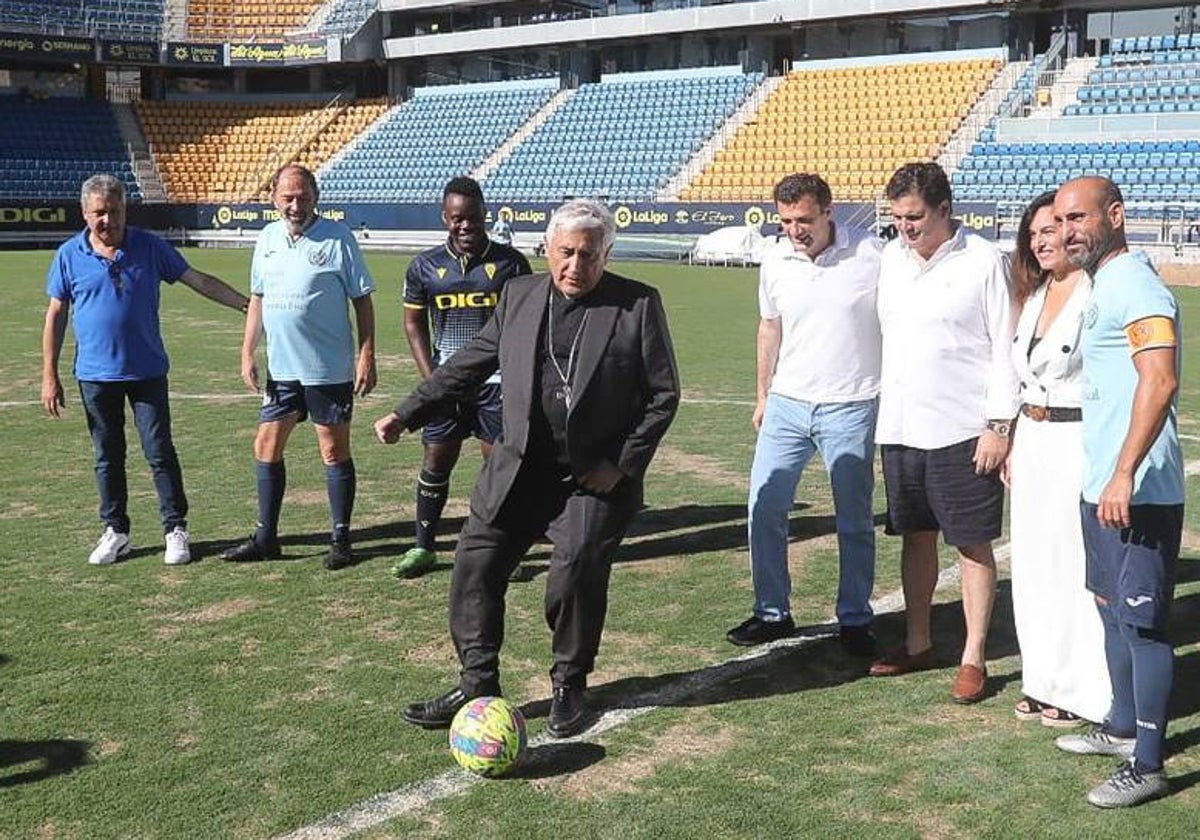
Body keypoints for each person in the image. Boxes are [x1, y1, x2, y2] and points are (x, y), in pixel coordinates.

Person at [373, 199, 679, 738]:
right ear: (547, 249)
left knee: (576, 568)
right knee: (473, 564)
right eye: (565, 253)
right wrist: (408, 412)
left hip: (590, 480)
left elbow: (663, 395)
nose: (575, 267)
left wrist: (622, 466)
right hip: (518, 471)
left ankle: (569, 684)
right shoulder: (518, 295)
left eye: (589, 255)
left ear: (607, 253)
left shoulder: (637, 306)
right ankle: (477, 682)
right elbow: (467, 364)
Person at [1051, 176, 1184, 809]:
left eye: (1079, 217)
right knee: (1109, 607)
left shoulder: (1135, 282)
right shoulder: (1104, 283)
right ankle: (1122, 724)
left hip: (1139, 491)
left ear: (1115, 215)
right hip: (1104, 486)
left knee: (1142, 625)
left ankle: (1149, 763)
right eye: (1061, 220)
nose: (1069, 229)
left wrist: (1126, 471)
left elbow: (1159, 381)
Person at [41, 174, 249, 566]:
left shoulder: (151, 247)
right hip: (94, 375)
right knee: (108, 456)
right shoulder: (68, 255)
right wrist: (49, 375)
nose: (108, 220)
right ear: (85, 214)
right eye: (99, 213)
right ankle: (116, 531)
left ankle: (175, 529)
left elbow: (197, 280)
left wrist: (245, 305)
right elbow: (56, 315)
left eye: (114, 211)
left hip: (147, 372)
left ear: (125, 210)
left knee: (159, 452)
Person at [869, 162, 1019, 704]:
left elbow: (1007, 347)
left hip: (965, 431)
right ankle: (917, 643)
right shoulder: (890, 259)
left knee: (973, 545)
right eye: (898, 218)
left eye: (915, 217)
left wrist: (999, 426)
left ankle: (974, 656)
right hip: (903, 428)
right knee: (915, 536)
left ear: (945, 210)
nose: (905, 227)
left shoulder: (984, 262)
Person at [725, 173, 882, 656]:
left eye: (805, 220)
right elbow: (769, 327)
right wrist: (762, 395)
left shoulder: (873, 256)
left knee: (854, 520)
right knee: (764, 508)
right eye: (787, 221)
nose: (796, 230)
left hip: (852, 405)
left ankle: (854, 617)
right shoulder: (774, 259)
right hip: (787, 405)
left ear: (829, 211)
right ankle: (772, 612)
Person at [221, 164, 377, 571]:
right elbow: (257, 297)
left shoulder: (338, 238)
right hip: (282, 370)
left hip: (327, 370)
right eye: (287, 197)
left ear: (316, 197)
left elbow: (362, 299)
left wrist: (366, 353)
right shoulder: (267, 238)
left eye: (303, 196)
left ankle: (341, 538)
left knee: (332, 450)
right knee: (266, 447)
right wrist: (246, 351)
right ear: (273, 198)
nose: (295, 204)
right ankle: (265, 537)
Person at [1004, 190, 1109, 728]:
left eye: (1053, 229)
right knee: (1033, 564)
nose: (1043, 240)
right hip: (1034, 438)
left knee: (1073, 565)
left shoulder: (1098, 293)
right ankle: (1041, 677)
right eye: (1036, 233)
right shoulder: (1035, 292)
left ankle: (1082, 689)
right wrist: (1012, 436)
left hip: (1078, 440)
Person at [392, 177, 531, 578]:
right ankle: (423, 547)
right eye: (457, 219)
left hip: (497, 384)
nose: (465, 226)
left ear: (485, 214)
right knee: (436, 460)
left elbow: (524, 323)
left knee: (498, 469)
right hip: (448, 384)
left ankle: (502, 550)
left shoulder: (511, 264)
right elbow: (413, 323)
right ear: (445, 218)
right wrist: (433, 382)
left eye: (472, 218)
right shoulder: (423, 266)